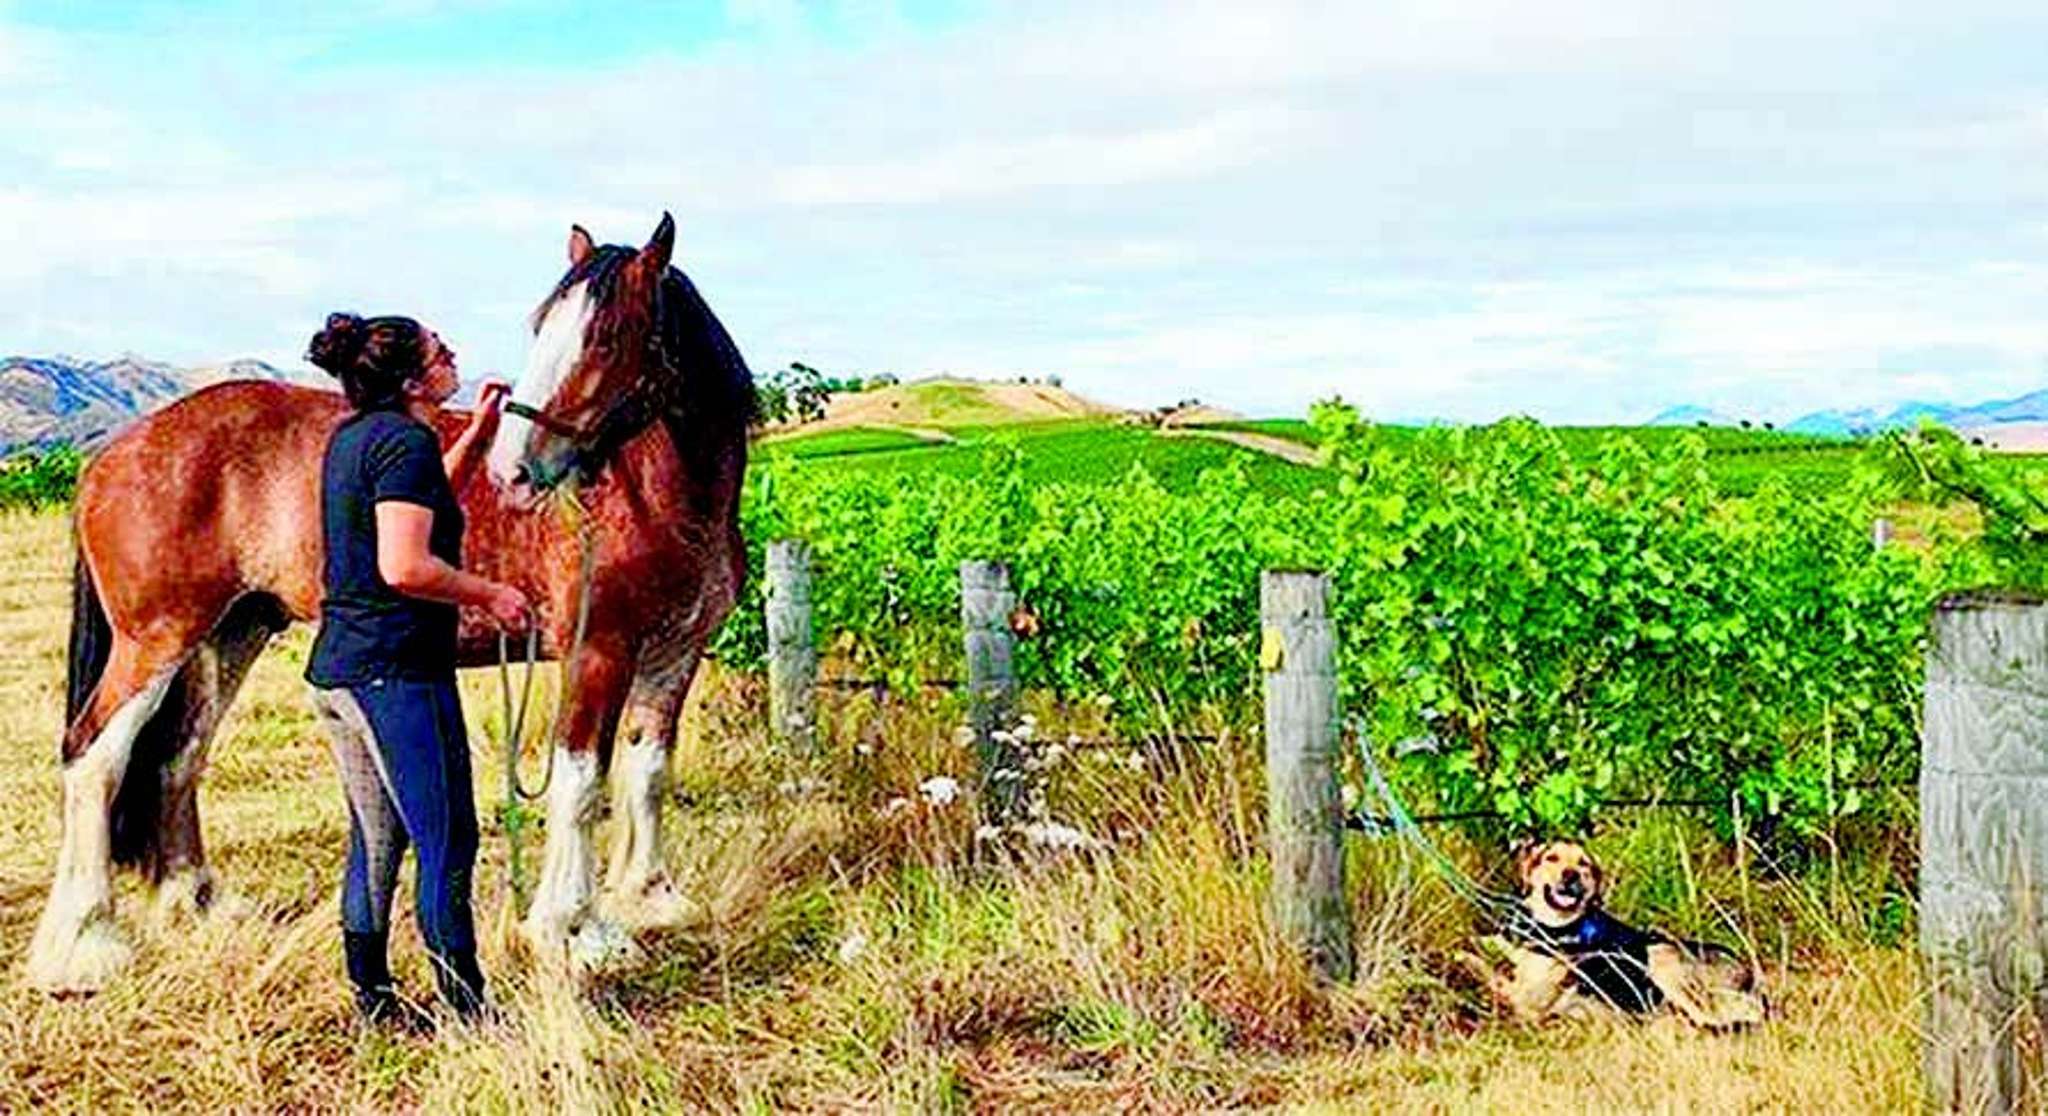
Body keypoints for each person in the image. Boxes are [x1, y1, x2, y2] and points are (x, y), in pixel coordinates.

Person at [302, 311, 527, 1027]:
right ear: (411, 378)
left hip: (341, 673)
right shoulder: (401, 443)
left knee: (377, 833)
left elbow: (417, 503)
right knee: (448, 839)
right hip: (394, 673)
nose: (452, 351)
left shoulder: (361, 438)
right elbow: (404, 564)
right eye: (439, 349)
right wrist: (491, 593)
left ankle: (373, 998)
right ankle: (469, 1013)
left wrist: (478, 435)